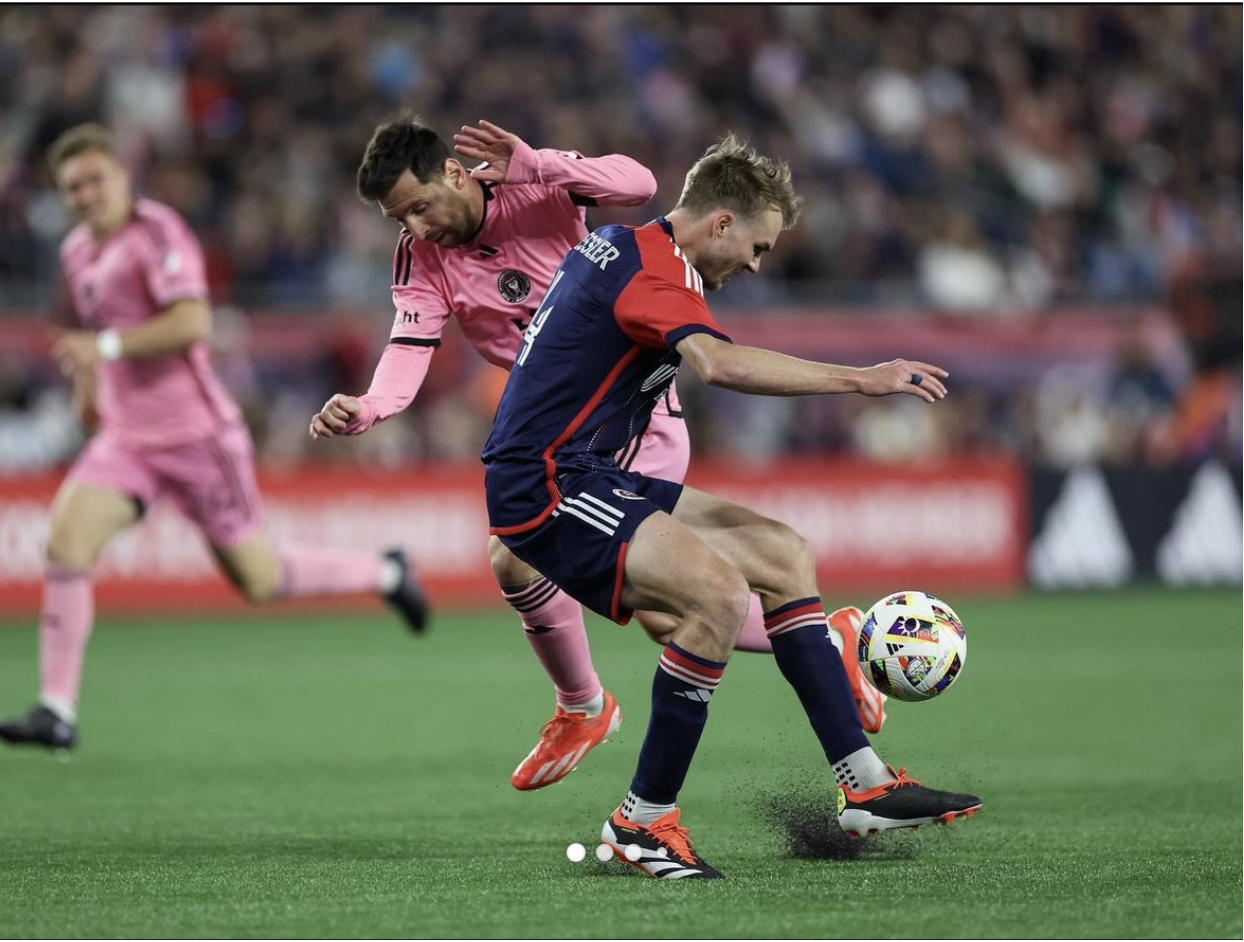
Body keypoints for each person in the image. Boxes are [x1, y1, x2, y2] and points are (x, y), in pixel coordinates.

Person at [310, 116, 886, 792]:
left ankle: (597, 723)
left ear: (456, 174)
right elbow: (409, 349)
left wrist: (538, 163)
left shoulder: (533, 188)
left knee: (607, 583)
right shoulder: (419, 255)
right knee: (650, 605)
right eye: (398, 217)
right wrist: (370, 408)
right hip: (564, 433)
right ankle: (811, 653)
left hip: (631, 420)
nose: (414, 226)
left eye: (418, 205)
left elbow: (639, 182)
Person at [482, 135, 981, 879]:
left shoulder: (627, 247)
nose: (754, 264)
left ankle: (865, 784)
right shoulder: (655, 270)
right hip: (547, 485)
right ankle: (642, 824)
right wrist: (862, 380)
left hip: (590, 472)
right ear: (720, 223)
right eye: (758, 246)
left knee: (780, 551)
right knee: (715, 596)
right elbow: (720, 363)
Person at [0, 124, 428, 753]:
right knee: (66, 541)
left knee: (257, 580)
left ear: (122, 175)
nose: (86, 194)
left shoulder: (157, 232)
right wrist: (92, 377)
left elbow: (192, 321)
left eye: (95, 179)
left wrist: (107, 347)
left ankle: (385, 573)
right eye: (72, 187)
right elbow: (102, 335)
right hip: (126, 436)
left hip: (197, 436)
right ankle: (56, 709)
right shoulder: (76, 252)